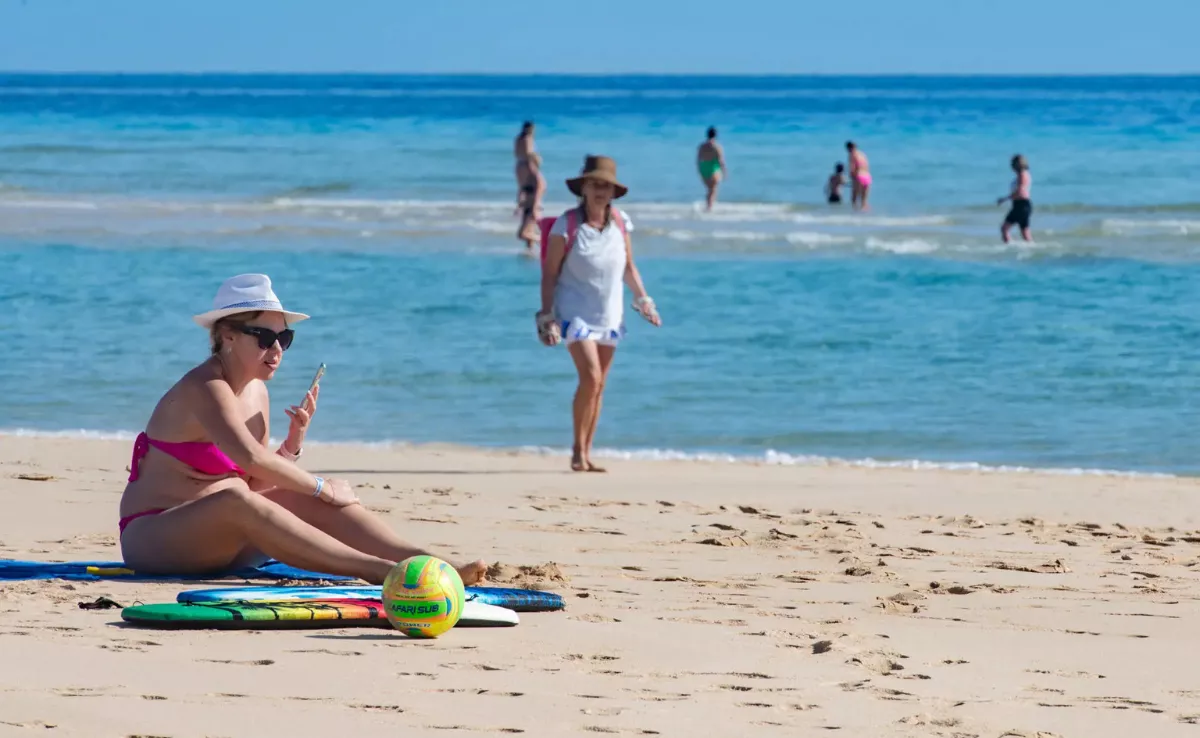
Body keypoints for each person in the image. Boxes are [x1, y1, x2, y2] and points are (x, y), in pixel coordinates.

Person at [117, 273, 488, 586]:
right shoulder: (206, 387)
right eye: (264, 338)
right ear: (227, 335)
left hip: (224, 541)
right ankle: (380, 571)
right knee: (254, 499)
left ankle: (431, 564)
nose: (277, 350)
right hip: (158, 539)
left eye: (284, 339)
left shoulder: (257, 393)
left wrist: (292, 447)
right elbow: (250, 459)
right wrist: (322, 486)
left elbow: (253, 481)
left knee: (302, 498)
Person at [536, 156, 661, 472]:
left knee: (600, 384)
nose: (600, 191)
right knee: (590, 377)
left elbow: (628, 266)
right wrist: (546, 315)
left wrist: (644, 300)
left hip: (609, 314)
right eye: (594, 184)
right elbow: (549, 275)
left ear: (613, 191)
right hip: (574, 312)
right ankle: (577, 451)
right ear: (584, 189)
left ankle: (587, 452)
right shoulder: (567, 225)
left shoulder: (620, 222)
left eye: (606, 186)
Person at [998, 154, 1033, 243]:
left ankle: (1009, 246)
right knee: (1025, 232)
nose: (1011, 166)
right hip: (1022, 205)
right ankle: (1031, 247)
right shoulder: (1023, 174)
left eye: (1012, 164)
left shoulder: (1022, 175)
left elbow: (1020, 191)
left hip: (1021, 205)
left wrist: (1005, 199)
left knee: (1004, 228)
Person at [516, 153, 546, 250]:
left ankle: (544, 240)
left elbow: (538, 194)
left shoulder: (538, 178)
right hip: (527, 207)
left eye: (530, 164)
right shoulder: (529, 178)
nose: (527, 166)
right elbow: (523, 191)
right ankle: (530, 254)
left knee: (522, 234)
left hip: (534, 208)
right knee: (529, 238)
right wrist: (519, 206)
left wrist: (534, 209)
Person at [696, 127, 727, 211]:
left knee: (710, 189)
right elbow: (721, 160)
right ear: (716, 135)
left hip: (704, 168)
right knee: (713, 189)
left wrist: (699, 170)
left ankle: (708, 206)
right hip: (713, 168)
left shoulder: (702, 146)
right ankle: (709, 207)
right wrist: (724, 171)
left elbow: (698, 159)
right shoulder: (717, 147)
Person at [514, 121, 537, 200]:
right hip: (527, 164)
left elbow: (516, 153)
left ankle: (520, 204)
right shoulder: (528, 138)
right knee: (536, 185)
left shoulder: (518, 138)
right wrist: (537, 157)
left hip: (519, 164)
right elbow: (528, 153)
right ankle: (532, 204)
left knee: (522, 187)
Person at [845, 141, 871, 210]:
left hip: (859, 176)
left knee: (854, 198)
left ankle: (854, 214)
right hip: (867, 176)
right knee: (864, 202)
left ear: (849, 148)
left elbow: (852, 167)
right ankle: (865, 215)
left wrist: (851, 176)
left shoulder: (852, 154)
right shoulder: (862, 154)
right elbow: (867, 165)